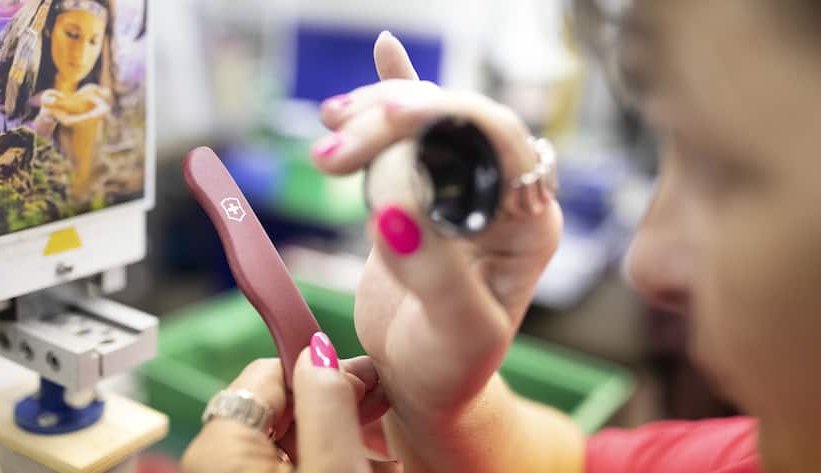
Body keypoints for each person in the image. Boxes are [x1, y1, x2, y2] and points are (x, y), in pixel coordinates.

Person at [182, 1, 821, 472]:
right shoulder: (763, 449)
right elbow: (573, 463)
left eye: (725, 169)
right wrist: (438, 408)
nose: (648, 260)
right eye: (672, 145)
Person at [0, 0, 115, 201]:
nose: (80, 53)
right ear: (48, 29)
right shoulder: (12, 105)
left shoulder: (98, 103)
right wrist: (46, 118)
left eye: (93, 41)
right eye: (72, 35)